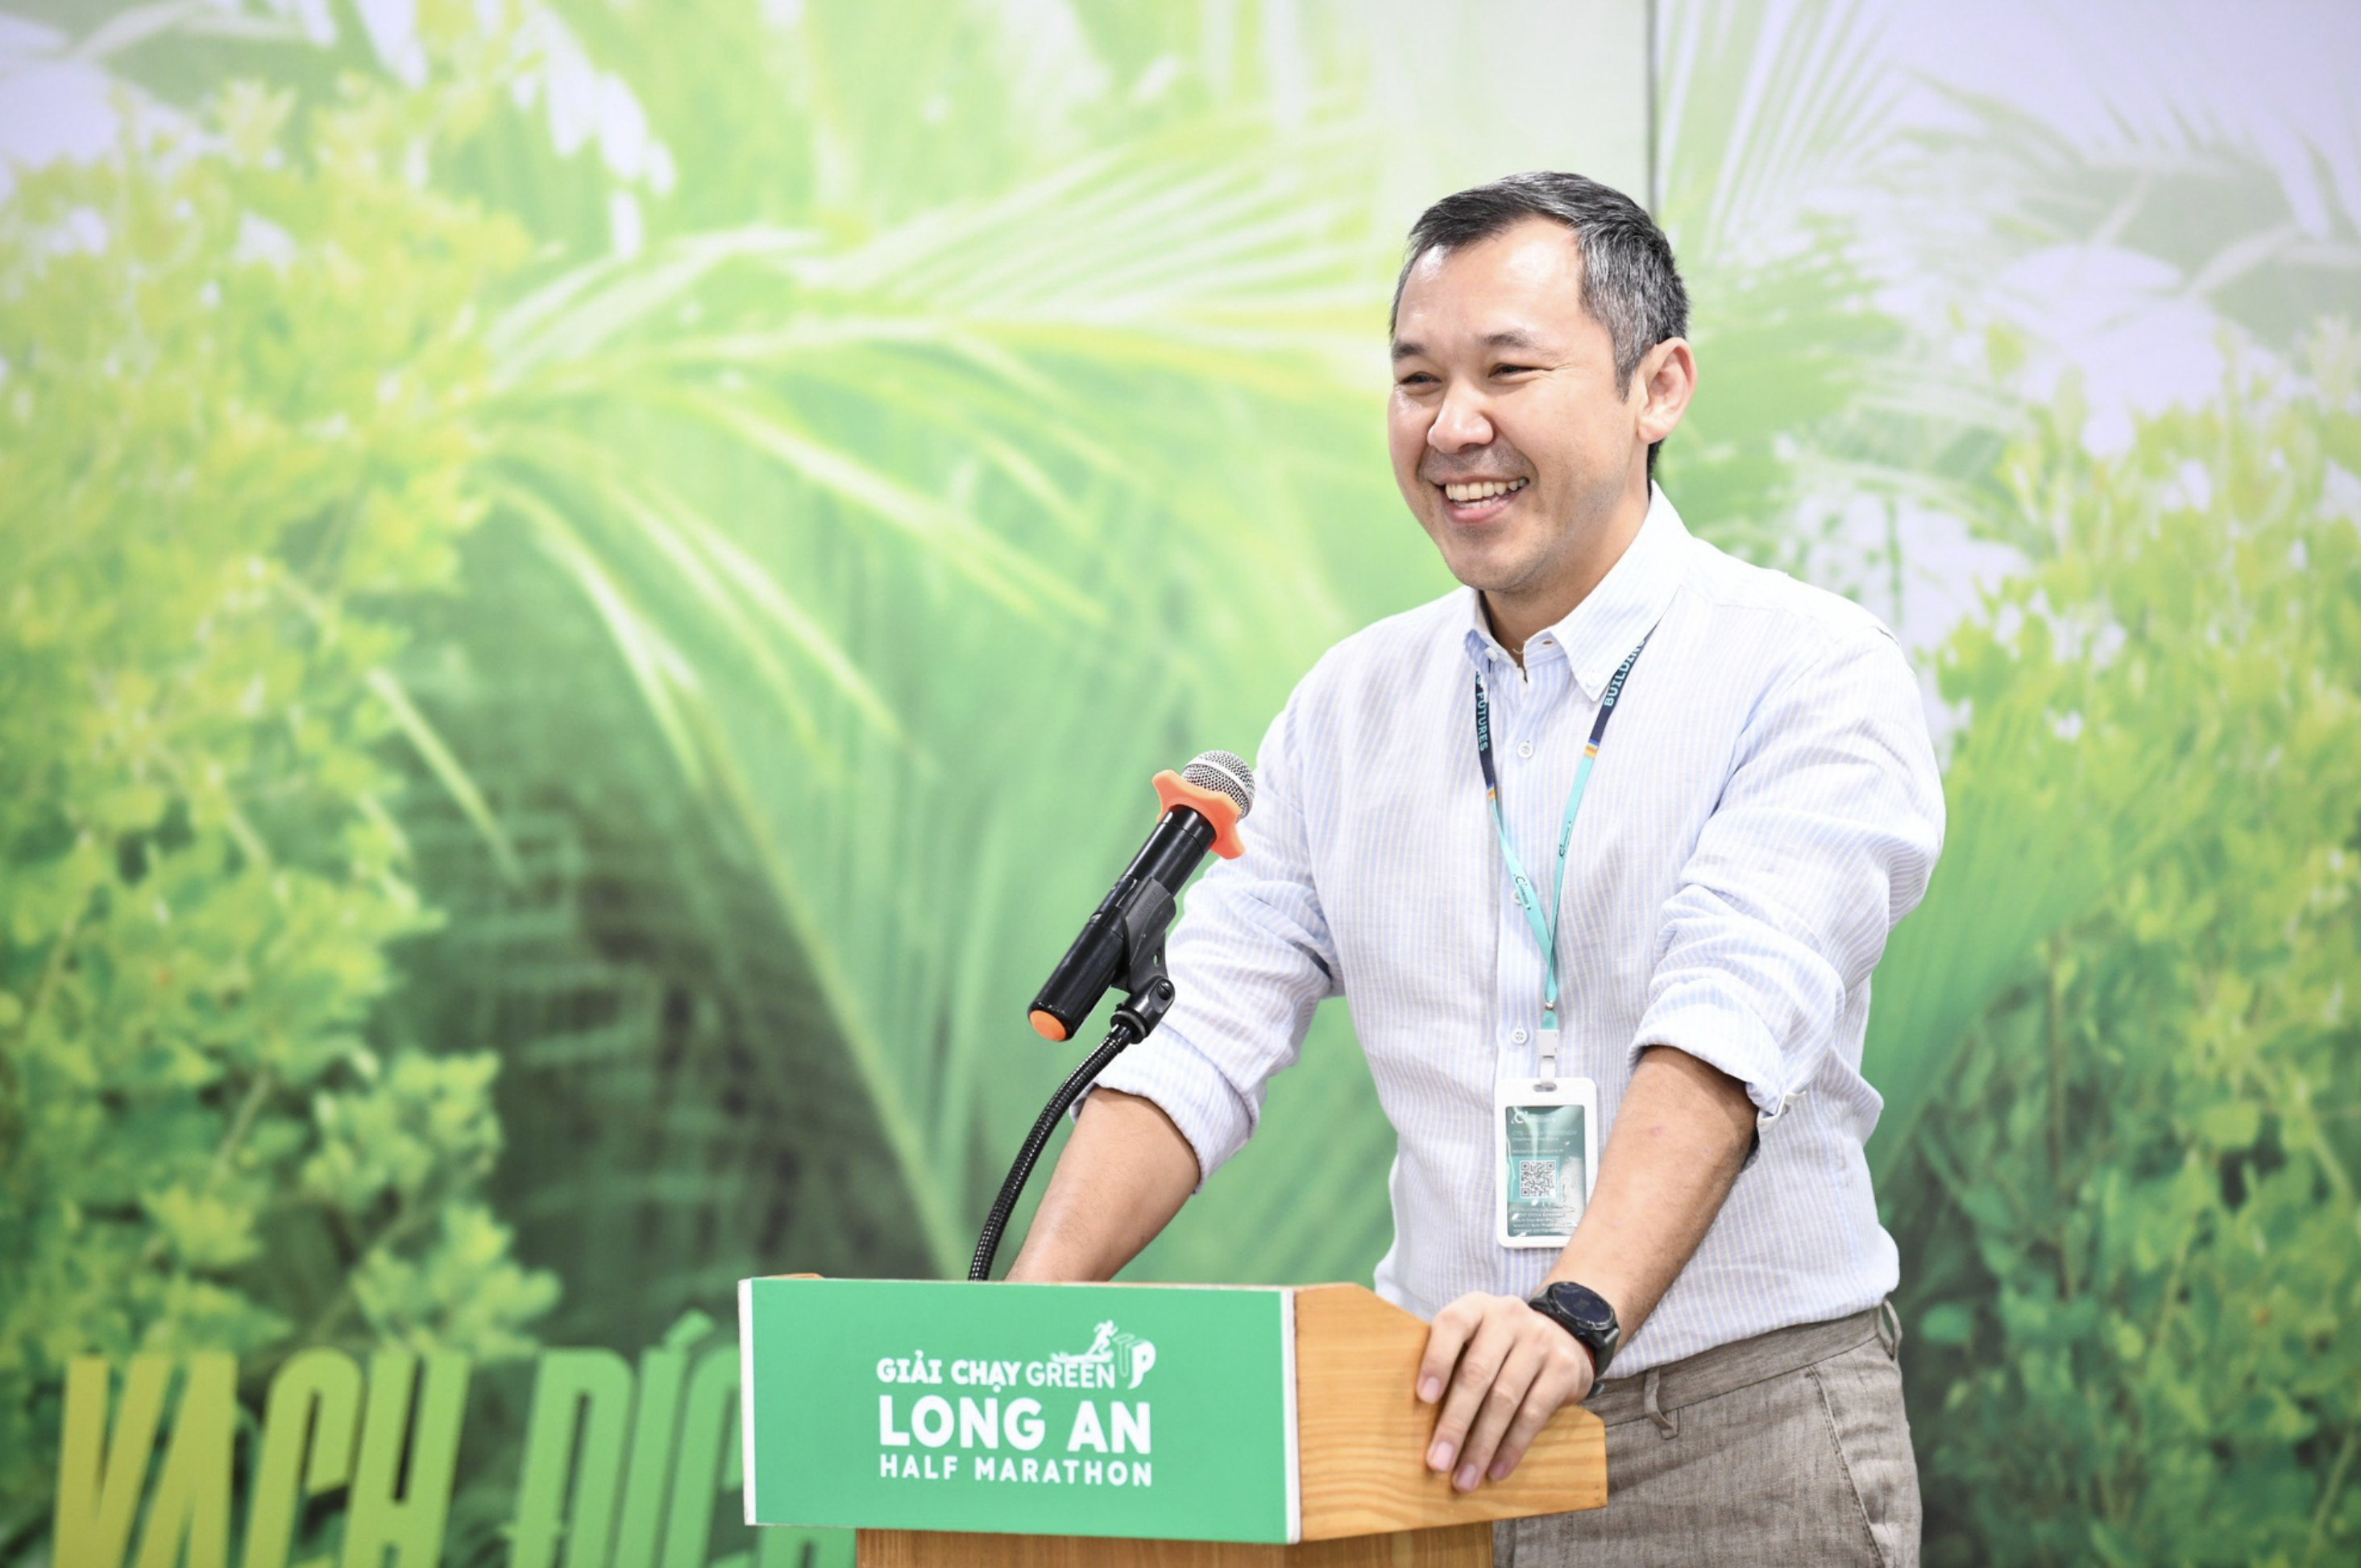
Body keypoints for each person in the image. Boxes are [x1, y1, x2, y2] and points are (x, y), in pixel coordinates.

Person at [1006, 171, 1944, 1567]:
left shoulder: (1805, 673)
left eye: (1508, 371)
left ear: (1658, 385)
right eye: (1413, 380)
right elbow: (1202, 1028)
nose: (1453, 427)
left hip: (1738, 1443)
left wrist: (1573, 1314)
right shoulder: (1348, 705)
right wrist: (1020, 1342)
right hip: (1429, 1450)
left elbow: (1733, 1014)